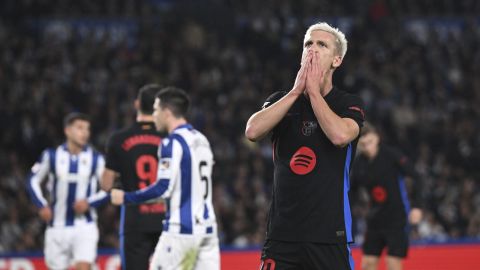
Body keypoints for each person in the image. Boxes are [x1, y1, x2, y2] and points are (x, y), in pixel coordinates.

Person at [245, 22, 365, 270]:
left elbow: (341, 136)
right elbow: (253, 131)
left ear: (336, 60)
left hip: (329, 236)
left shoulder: (347, 103)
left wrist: (314, 94)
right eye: (308, 44)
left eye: (322, 44)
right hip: (281, 237)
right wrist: (295, 92)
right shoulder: (281, 101)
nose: (312, 49)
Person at [111, 86, 220, 270]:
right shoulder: (202, 139)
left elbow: (163, 188)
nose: (154, 115)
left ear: (167, 112)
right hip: (208, 229)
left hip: (181, 231)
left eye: (156, 110)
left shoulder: (172, 142)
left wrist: (126, 198)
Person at [27, 112, 108, 270]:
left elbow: (109, 188)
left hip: (85, 226)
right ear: (67, 131)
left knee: (83, 266)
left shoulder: (96, 158)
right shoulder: (51, 156)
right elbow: (32, 180)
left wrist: (89, 202)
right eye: (80, 128)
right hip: (57, 226)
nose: (85, 133)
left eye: (87, 129)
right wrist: (41, 205)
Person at [101, 84, 166, 270]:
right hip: (166, 218)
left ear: (137, 104)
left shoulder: (118, 139)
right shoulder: (170, 137)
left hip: (135, 220)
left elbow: (106, 184)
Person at [351, 123, 423, 270]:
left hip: (397, 217)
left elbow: (417, 177)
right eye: (363, 144)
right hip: (375, 219)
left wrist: (417, 206)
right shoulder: (359, 164)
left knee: (393, 263)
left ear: (377, 138)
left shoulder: (391, 154)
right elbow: (352, 191)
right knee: (368, 263)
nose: (367, 147)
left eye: (369, 141)